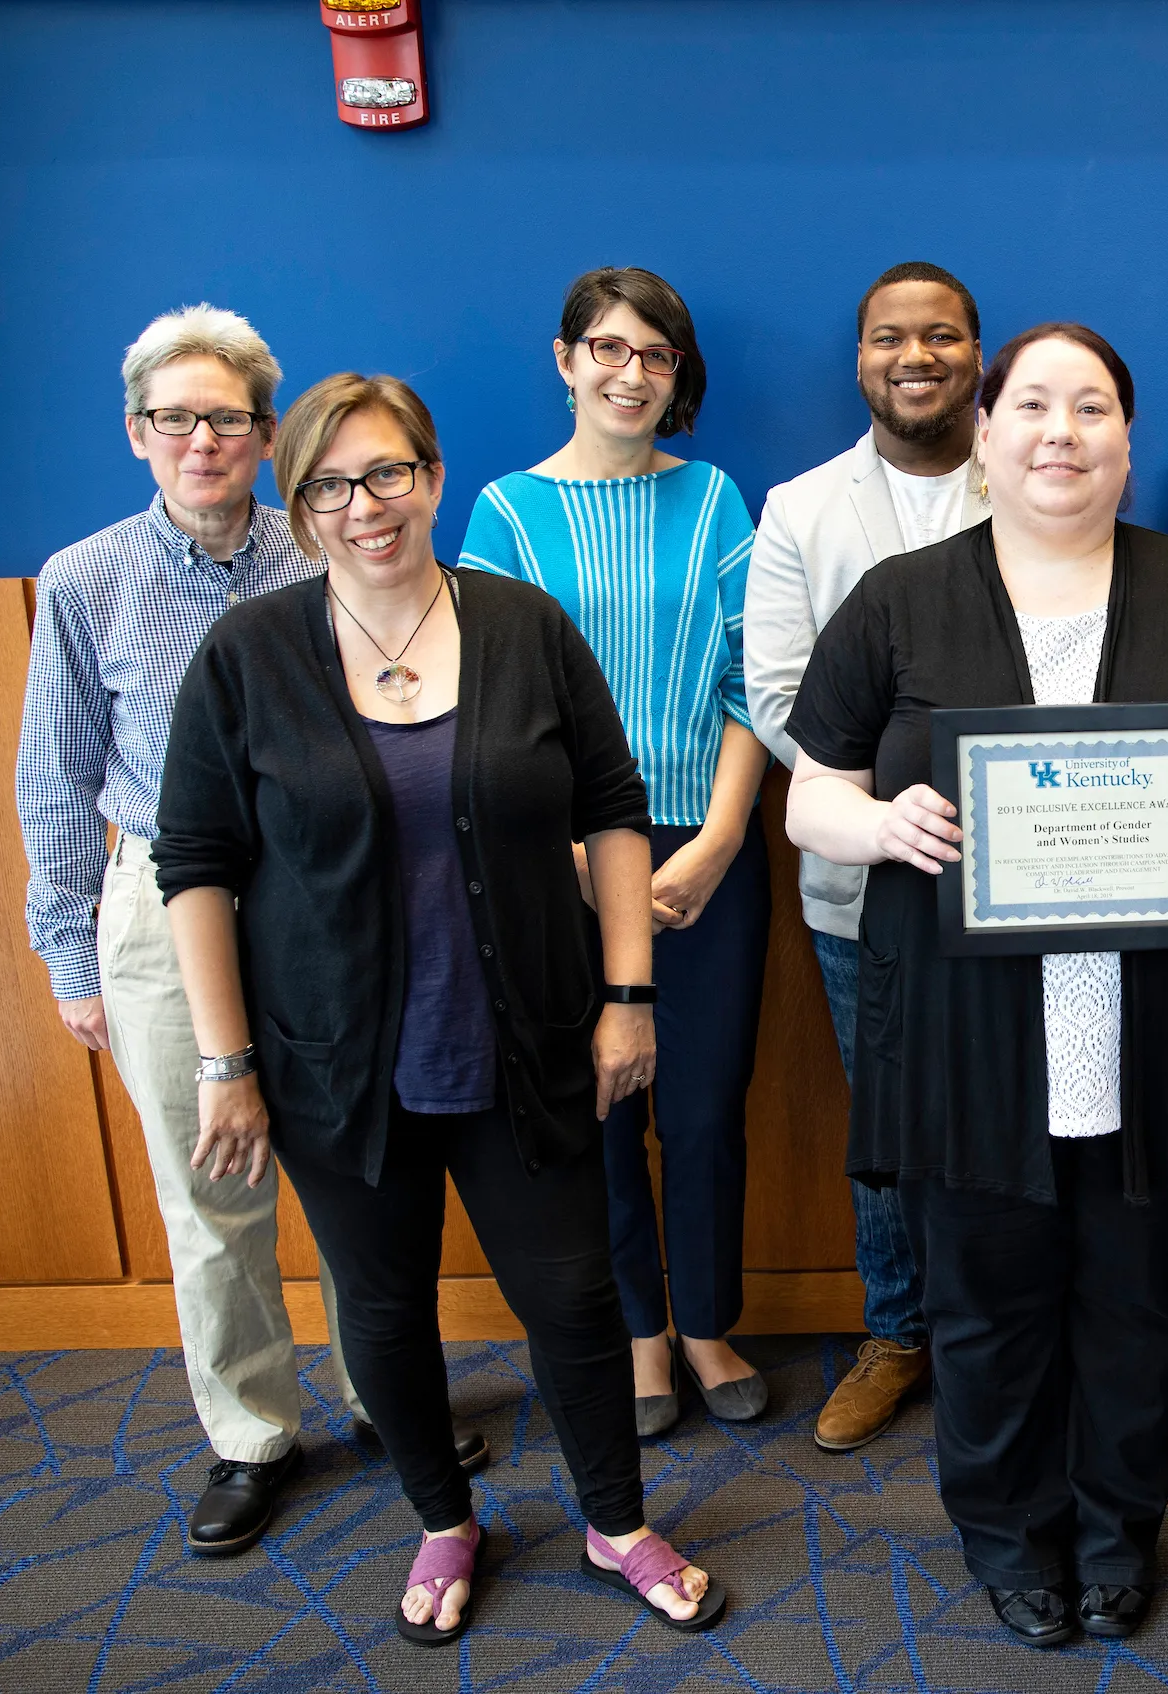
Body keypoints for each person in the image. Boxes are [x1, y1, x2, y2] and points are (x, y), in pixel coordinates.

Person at [156, 374, 724, 1642]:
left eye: (391, 472)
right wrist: (224, 1060)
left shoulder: (525, 626)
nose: (368, 506)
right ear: (297, 508)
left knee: (576, 1300)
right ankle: (443, 1517)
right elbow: (193, 862)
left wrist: (628, 994)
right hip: (333, 1067)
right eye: (333, 485)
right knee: (383, 1311)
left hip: (530, 1042)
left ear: (434, 473)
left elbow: (612, 810)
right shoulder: (248, 655)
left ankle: (614, 1520)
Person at [784, 323, 1168, 1647]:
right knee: (988, 1315)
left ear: (1129, 443)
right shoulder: (902, 600)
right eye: (1034, 405)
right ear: (986, 430)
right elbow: (811, 793)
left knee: (1139, 1310)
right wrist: (883, 827)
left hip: (1166, 1034)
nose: (1061, 432)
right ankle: (1012, 1538)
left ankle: (1115, 1530)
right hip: (972, 1039)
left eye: (1093, 408)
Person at [14, 306, 484, 1558]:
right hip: (163, 912)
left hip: (329, 905)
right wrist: (70, 957)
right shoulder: (83, 577)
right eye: (174, 418)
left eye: (228, 416)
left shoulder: (327, 542)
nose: (203, 439)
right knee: (210, 1188)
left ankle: (384, 1393)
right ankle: (250, 1433)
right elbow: (54, 780)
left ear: (269, 433)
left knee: (353, 1165)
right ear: (137, 435)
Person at [460, 267, 770, 1437]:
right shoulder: (505, 512)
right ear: (564, 359)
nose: (630, 372)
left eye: (655, 354)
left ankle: (706, 1322)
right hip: (561, 856)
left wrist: (726, 837)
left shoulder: (717, 500)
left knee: (702, 1107)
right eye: (608, 348)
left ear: (678, 373)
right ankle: (639, 1328)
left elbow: (752, 682)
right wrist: (581, 858)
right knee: (595, 1101)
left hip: (706, 846)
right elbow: (488, 705)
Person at [743, 261, 988, 1451]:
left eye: (941, 335)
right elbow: (780, 696)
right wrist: (912, 797)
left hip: (1027, 878)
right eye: (890, 336)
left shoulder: (1037, 475)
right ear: (860, 360)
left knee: (1014, 1111)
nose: (916, 355)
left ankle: (1000, 1326)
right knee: (884, 1118)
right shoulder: (801, 509)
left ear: (976, 354)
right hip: (861, 882)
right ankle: (896, 1330)